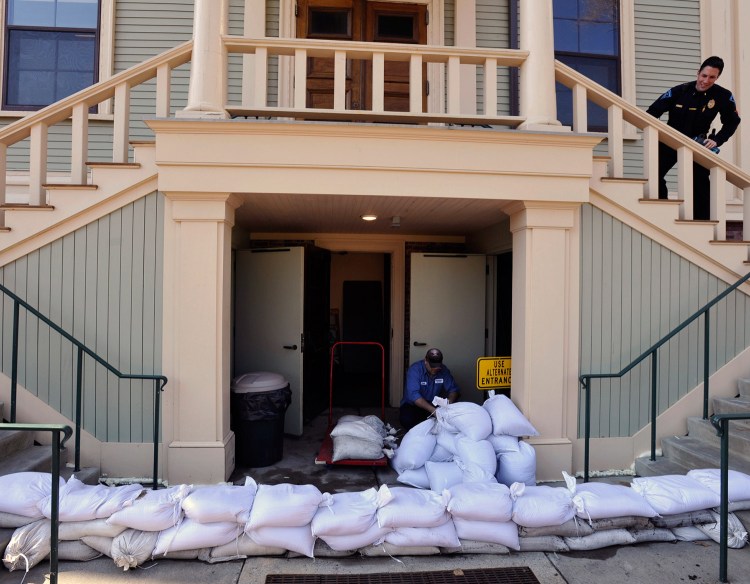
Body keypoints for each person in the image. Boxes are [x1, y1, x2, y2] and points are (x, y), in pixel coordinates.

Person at [646, 56, 741, 221]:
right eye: (704, 75)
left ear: (717, 77)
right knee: (655, 174)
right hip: (671, 140)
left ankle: (703, 222)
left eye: (712, 77)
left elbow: (732, 122)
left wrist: (717, 140)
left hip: (698, 144)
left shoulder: (722, 96)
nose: (706, 80)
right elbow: (652, 113)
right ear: (698, 73)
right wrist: (661, 133)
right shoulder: (679, 91)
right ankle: (661, 211)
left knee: (700, 184)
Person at [399, 348, 459, 431]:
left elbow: (453, 390)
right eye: (432, 366)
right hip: (413, 405)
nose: (435, 369)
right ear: (425, 361)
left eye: (437, 366)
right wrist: (434, 411)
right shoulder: (415, 370)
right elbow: (414, 396)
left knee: (449, 421)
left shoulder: (444, 370)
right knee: (407, 420)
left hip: (433, 404)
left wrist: (448, 402)